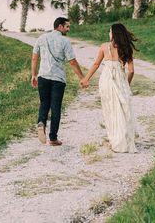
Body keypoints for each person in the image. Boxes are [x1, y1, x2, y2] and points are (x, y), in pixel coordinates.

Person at [80, 22, 137, 153]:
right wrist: (126, 84)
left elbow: (96, 64)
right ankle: (123, 139)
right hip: (120, 81)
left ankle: (114, 139)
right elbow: (132, 71)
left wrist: (86, 79)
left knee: (110, 109)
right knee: (123, 109)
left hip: (106, 81)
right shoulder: (127, 48)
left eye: (110, 31)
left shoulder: (104, 47)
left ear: (113, 34)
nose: (108, 33)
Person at [31, 16, 85, 146]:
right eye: (67, 26)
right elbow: (72, 61)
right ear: (60, 26)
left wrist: (34, 75)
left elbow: (34, 58)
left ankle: (41, 122)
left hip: (43, 76)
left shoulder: (41, 38)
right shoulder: (64, 41)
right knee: (56, 107)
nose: (68, 29)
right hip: (58, 79)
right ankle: (53, 138)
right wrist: (82, 77)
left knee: (44, 103)